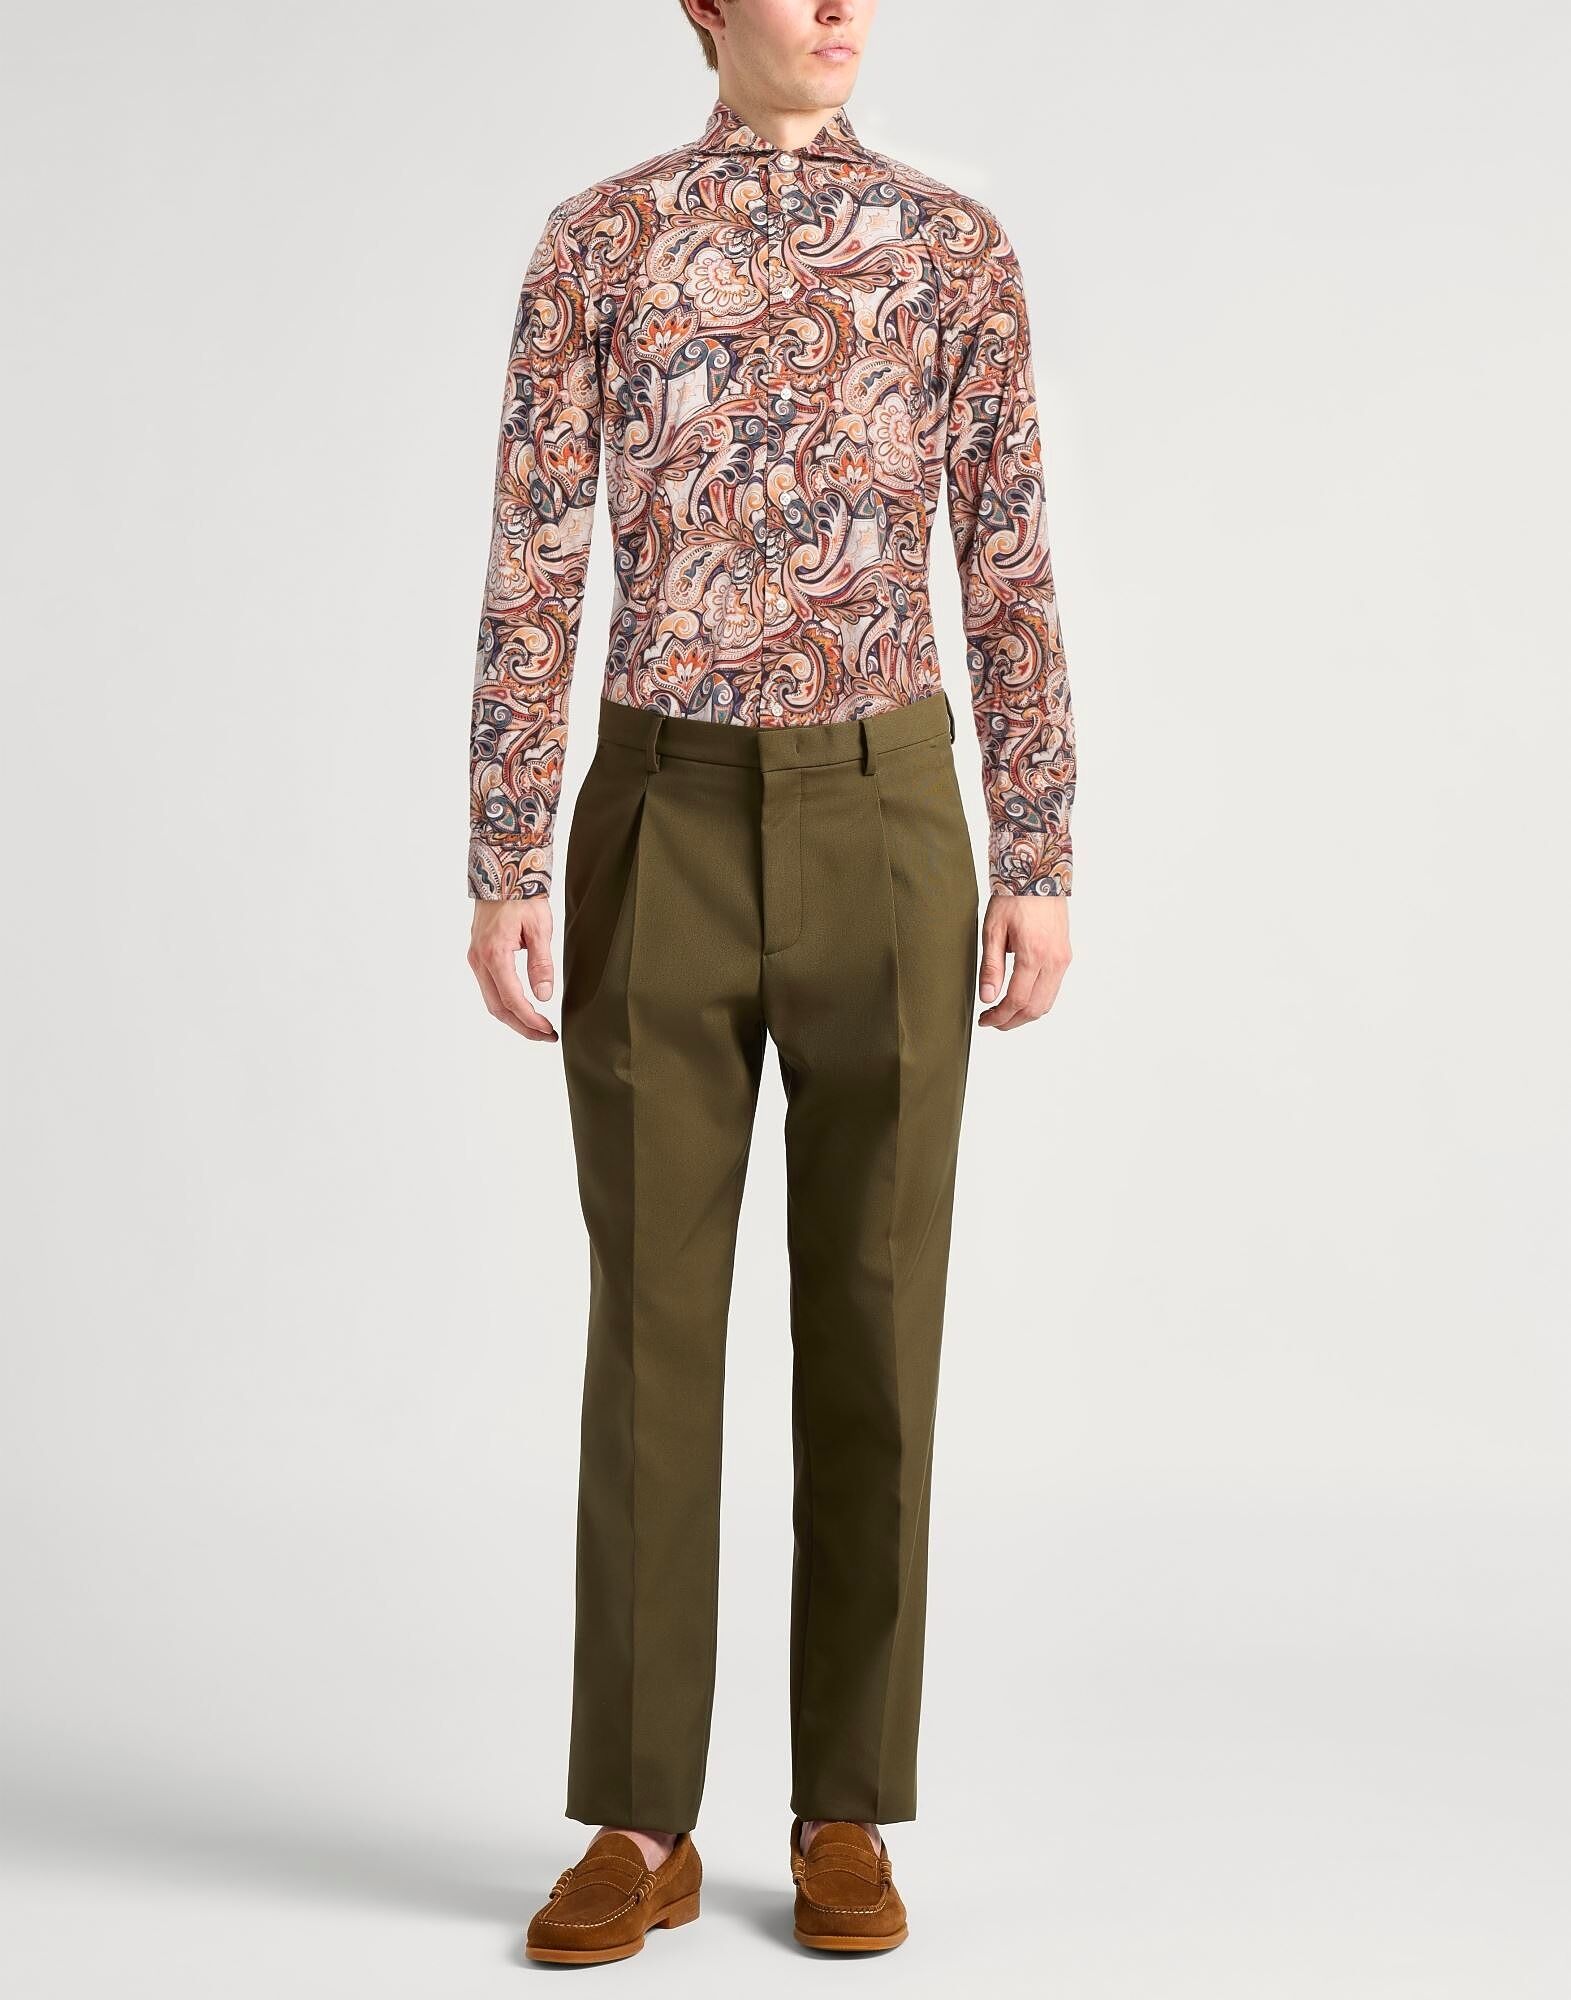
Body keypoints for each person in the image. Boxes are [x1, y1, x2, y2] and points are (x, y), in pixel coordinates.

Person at [466, 0, 1075, 1963]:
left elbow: (1006, 558)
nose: (837, 8)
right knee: (648, 1327)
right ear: (703, 8)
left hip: (889, 809)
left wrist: (1040, 848)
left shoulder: (953, 248)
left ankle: (845, 1805)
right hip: (659, 806)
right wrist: (504, 849)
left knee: (879, 1320)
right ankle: (639, 1815)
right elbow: (536, 552)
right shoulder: (603, 239)